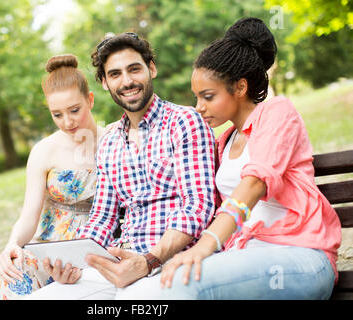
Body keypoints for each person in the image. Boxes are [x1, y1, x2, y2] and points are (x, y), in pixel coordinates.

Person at [157, 17, 342, 300]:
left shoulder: (277, 113)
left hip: (299, 255)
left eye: (208, 96)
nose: (199, 107)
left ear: (240, 88)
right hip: (246, 259)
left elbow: (255, 183)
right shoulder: (224, 141)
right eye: (197, 97)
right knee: (161, 284)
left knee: (183, 282)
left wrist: (206, 244)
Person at [25, 32, 216, 299]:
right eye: (115, 74)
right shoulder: (110, 143)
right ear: (104, 83)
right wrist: (74, 261)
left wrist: (149, 260)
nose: (127, 81)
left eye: (134, 69)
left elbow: (198, 206)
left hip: (171, 260)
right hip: (117, 265)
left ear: (151, 68)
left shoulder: (184, 121)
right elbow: (102, 219)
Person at [0, 54, 106, 299]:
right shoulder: (44, 150)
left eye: (75, 110)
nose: (68, 122)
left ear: (90, 100)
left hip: (99, 246)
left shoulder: (114, 140)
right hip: (50, 249)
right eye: (57, 114)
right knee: (18, 272)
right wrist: (12, 243)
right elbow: (29, 216)